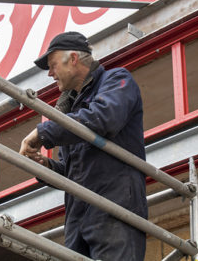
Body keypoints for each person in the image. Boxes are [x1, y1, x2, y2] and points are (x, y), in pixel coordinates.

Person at [19, 31, 147, 260]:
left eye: (53, 65)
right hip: (78, 217)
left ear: (74, 59)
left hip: (114, 207)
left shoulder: (117, 79)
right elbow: (72, 173)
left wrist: (43, 132)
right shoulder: (71, 108)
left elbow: (104, 118)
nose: (49, 73)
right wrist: (45, 166)